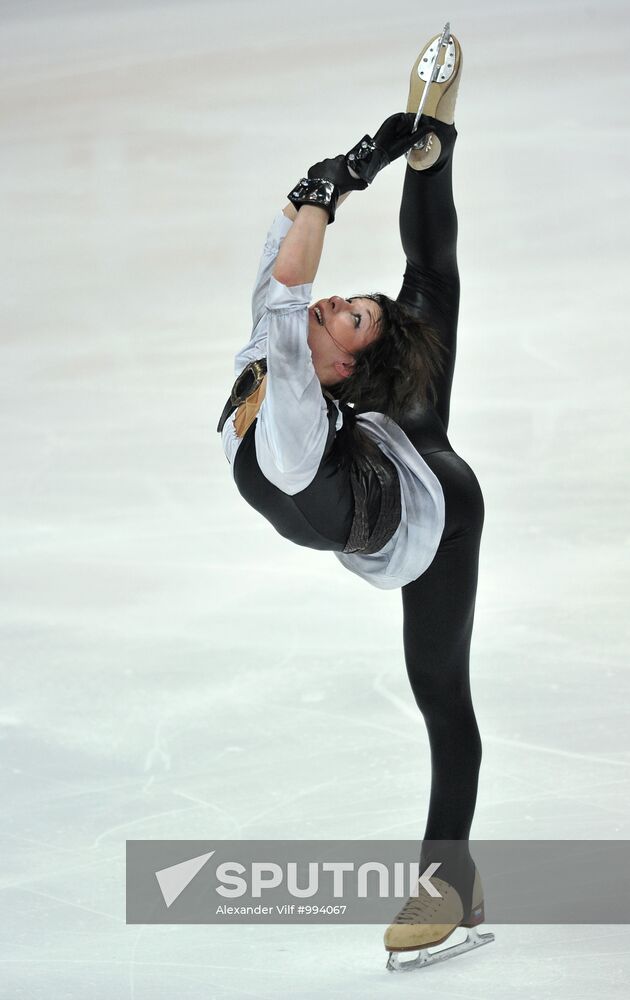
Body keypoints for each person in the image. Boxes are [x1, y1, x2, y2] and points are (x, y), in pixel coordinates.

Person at [218, 27, 494, 970]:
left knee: (438, 691)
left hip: (434, 512)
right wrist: (370, 158)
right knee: (427, 298)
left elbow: (299, 271)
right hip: (376, 450)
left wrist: (339, 183)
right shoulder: (288, 339)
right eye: (344, 304)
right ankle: (436, 140)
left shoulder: (297, 399)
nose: (337, 302)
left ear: (341, 363)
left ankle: (446, 879)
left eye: (353, 316)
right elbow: (290, 248)